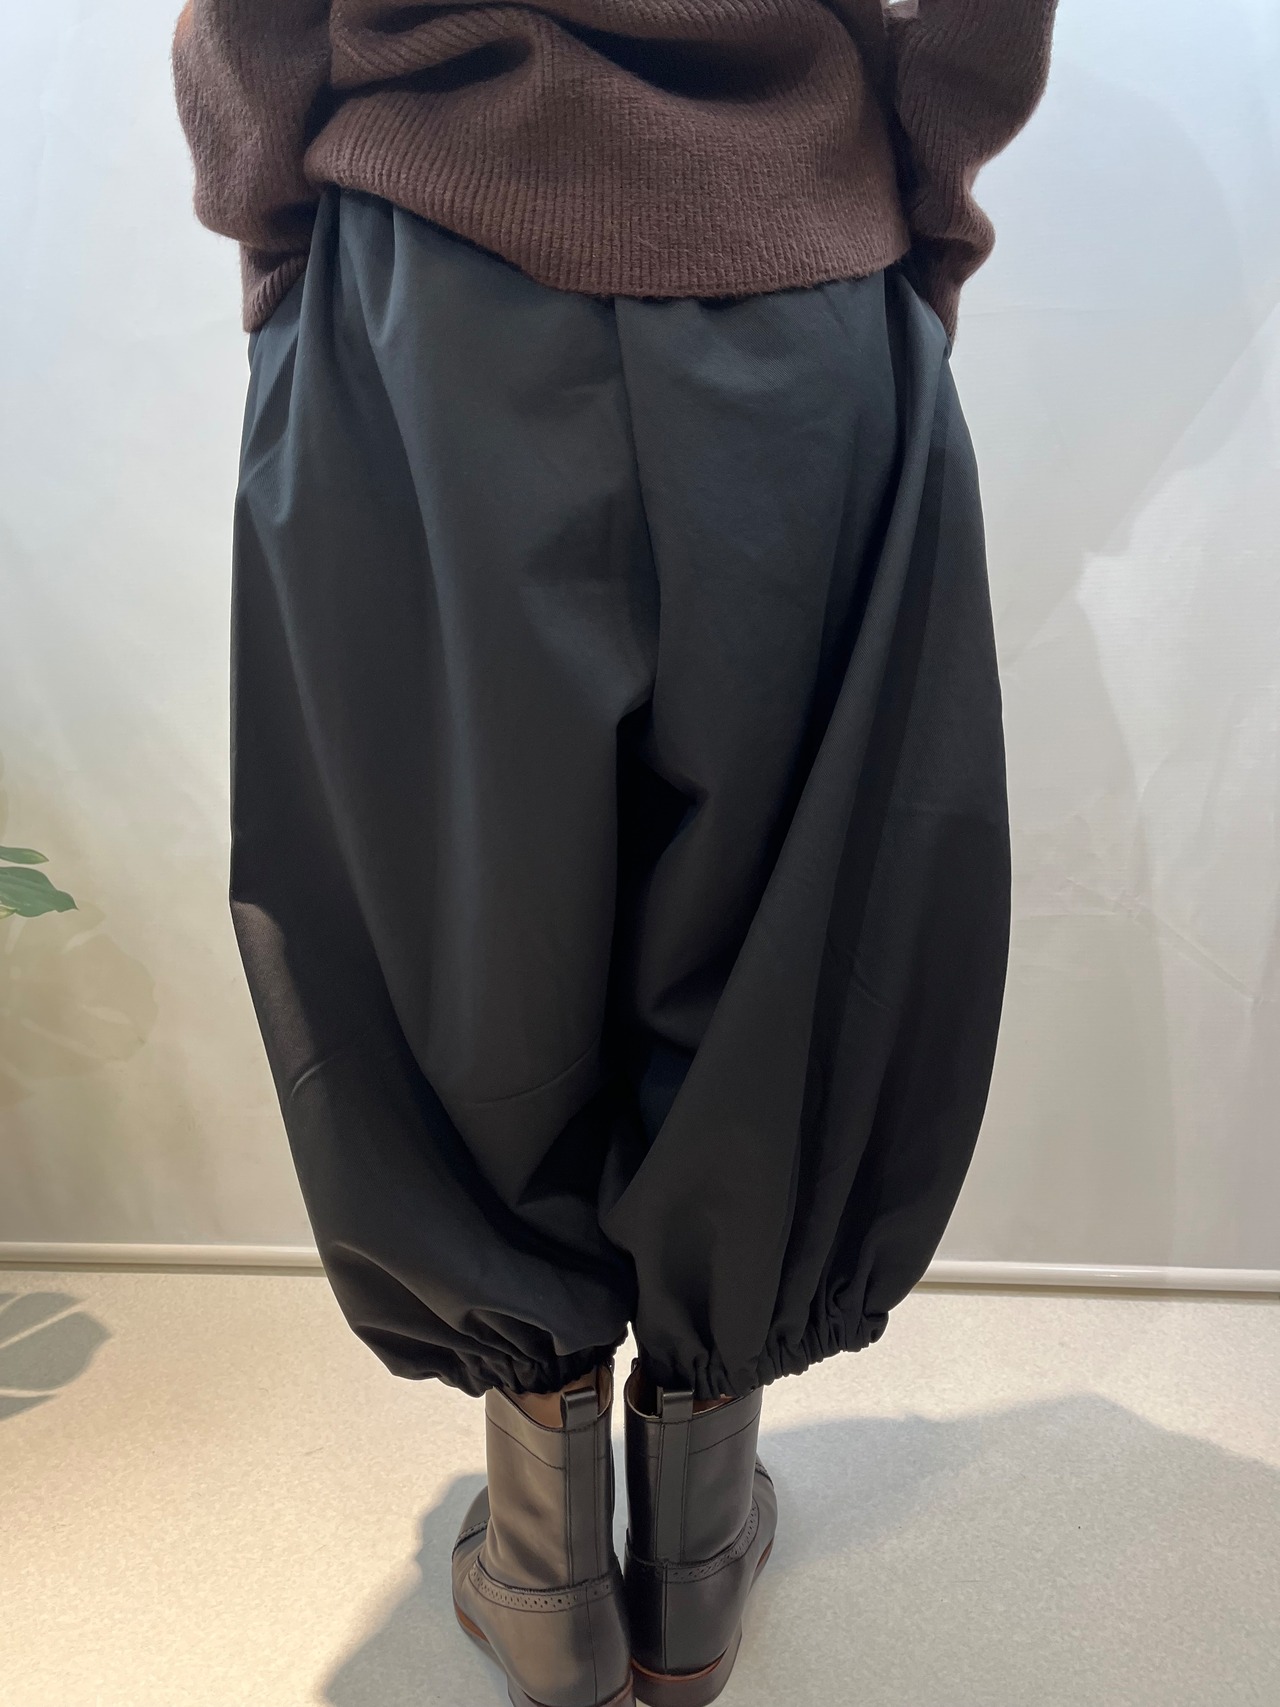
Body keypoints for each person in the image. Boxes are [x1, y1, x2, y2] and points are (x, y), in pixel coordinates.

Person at [173, 3, 1056, 1703]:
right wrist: (916, 197)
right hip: (805, 282)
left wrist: (277, 218)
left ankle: (546, 1572)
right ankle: (694, 1570)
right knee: (791, 917)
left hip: (427, 288)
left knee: (455, 917)